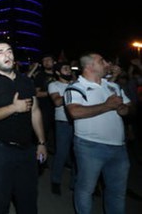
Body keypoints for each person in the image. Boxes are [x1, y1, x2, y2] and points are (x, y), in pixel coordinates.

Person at [0, 39, 47, 214]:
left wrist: (42, 142)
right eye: (0, 53)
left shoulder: (26, 81)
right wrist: (14, 107)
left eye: (9, 51)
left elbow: (35, 111)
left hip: (26, 149)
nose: (7, 55)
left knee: (28, 200)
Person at [64, 52, 131, 214]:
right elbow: (75, 113)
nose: (107, 63)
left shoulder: (113, 86)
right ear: (89, 66)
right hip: (90, 146)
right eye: (101, 61)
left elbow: (127, 108)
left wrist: (123, 109)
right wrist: (107, 106)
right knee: (86, 189)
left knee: (117, 193)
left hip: (118, 148)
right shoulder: (75, 87)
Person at [48, 62, 75, 195]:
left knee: (78, 155)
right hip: (63, 122)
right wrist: (73, 91)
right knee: (62, 153)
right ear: (58, 72)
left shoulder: (76, 84)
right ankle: (56, 181)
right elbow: (57, 102)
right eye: (65, 68)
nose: (69, 70)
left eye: (69, 68)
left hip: (79, 122)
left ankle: (75, 183)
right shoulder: (54, 85)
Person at [32, 54, 56, 154]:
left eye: (48, 59)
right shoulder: (40, 76)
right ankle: (41, 158)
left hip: (58, 110)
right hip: (44, 109)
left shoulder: (59, 74)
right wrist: (53, 94)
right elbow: (36, 93)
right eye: (44, 60)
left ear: (53, 61)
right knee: (43, 134)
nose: (46, 62)